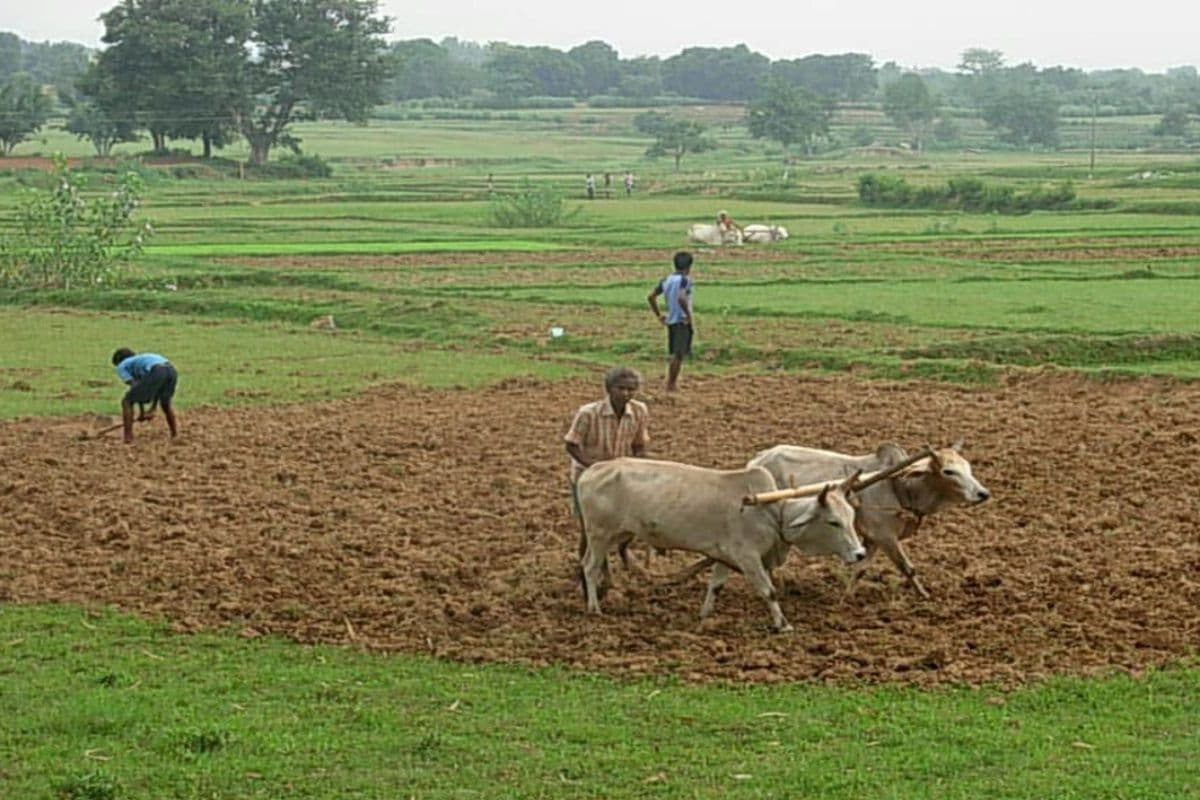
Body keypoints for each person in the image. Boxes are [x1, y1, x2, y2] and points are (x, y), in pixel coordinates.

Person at [647, 252, 695, 392]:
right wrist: (688, 314)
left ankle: (671, 382)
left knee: (675, 352)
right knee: (678, 354)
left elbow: (651, 297)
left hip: (671, 320)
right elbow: (681, 298)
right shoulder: (685, 280)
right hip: (681, 320)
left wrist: (659, 315)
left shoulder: (666, 280)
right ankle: (671, 384)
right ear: (689, 266)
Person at [111, 347, 178, 443]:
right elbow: (151, 389)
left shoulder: (122, 365)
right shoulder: (141, 360)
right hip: (171, 371)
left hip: (156, 371)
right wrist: (151, 409)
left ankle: (128, 437)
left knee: (127, 401)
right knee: (165, 403)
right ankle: (174, 434)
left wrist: (143, 413)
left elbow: (135, 387)